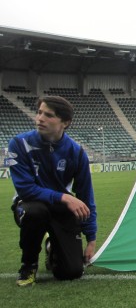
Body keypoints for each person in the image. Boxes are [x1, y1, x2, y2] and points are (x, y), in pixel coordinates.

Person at [8, 96, 97, 286]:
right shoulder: (18, 143)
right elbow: (25, 189)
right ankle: (28, 266)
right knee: (36, 212)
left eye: (48, 115)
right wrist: (64, 196)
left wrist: (91, 239)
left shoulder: (76, 152)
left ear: (65, 123)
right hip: (29, 205)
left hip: (60, 209)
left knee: (71, 272)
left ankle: (52, 246)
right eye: (39, 112)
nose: (40, 118)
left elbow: (85, 196)